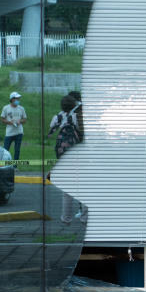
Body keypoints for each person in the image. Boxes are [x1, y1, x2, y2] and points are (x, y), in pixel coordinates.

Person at [48, 94, 85, 223]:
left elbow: (51, 130)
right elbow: (82, 132)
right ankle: (84, 217)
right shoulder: (77, 116)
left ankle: (66, 217)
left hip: (62, 153)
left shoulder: (58, 117)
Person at [0, 92, 26, 160]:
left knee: (17, 150)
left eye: (18, 99)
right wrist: (10, 122)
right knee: (5, 150)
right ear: (12, 99)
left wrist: (20, 121)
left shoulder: (21, 108)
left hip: (19, 132)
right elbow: (2, 119)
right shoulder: (6, 108)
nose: (18, 100)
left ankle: (15, 166)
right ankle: (4, 164)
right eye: (16, 99)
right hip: (9, 132)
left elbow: (24, 119)